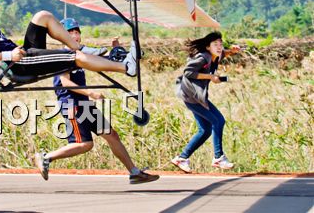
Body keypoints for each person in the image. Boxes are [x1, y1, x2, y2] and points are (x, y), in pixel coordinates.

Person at [33, 18, 159, 184]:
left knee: (112, 135)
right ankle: (46, 157)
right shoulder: (62, 56)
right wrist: (90, 92)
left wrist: (115, 50)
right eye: (70, 33)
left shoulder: (79, 55)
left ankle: (134, 172)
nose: (75, 36)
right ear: (62, 36)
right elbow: (66, 83)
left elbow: (104, 62)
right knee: (84, 144)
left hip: (83, 103)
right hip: (71, 104)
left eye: (77, 33)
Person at [0, 0, 137, 79]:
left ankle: (81, 47)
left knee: (43, 16)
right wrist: (9, 55)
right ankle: (126, 67)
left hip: (24, 54)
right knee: (73, 57)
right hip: (22, 63)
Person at [171, 31, 241, 173]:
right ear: (208, 47)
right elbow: (187, 72)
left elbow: (223, 54)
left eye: (220, 43)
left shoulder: (216, 56)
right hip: (192, 96)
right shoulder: (203, 57)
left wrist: (232, 51)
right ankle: (218, 157)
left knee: (205, 130)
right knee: (218, 121)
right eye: (215, 44)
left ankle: (182, 158)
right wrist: (210, 76)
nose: (219, 46)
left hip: (195, 97)